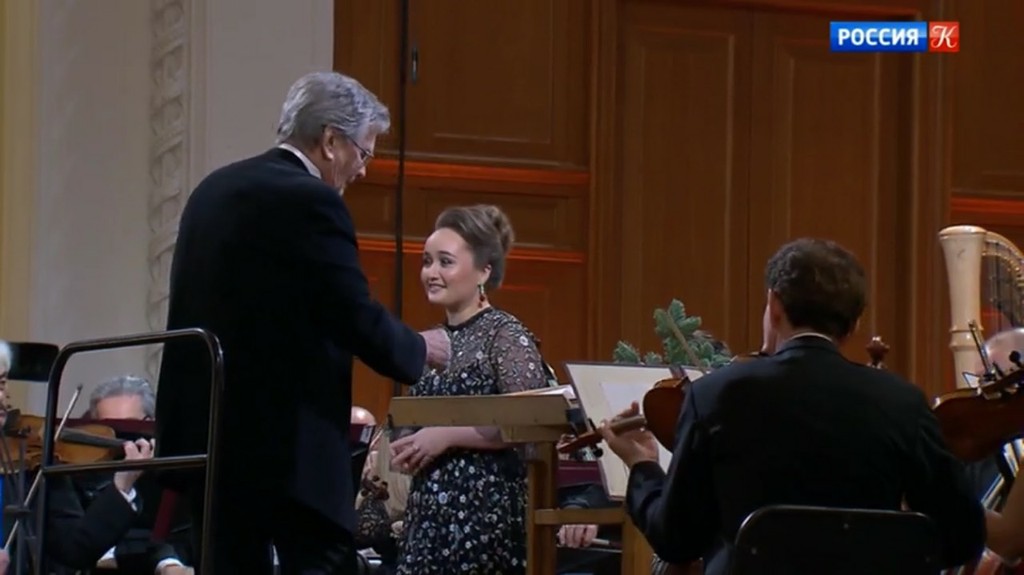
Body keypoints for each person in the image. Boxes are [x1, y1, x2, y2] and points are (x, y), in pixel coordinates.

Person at [155, 71, 451, 575]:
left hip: (205, 436)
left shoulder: (212, 189)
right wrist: (418, 349)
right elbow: (350, 310)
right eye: (363, 152)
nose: (363, 169)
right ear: (331, 141)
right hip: (284, 447)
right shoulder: (310, 200)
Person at [599, 238, 987, 573]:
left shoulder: (716, 395)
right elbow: (962, 537)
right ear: (854, 324)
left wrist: (643, 466)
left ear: (775, 304)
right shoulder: (902, 403)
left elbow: (677, 539)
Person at [389, 205, 548, 574]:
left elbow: (530, 424)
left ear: (484, 271)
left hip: (486, 517)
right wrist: (406, 446)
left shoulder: (505, 335)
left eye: (445, 262)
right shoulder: (429, 344)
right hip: (428, 518)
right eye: (427, 261)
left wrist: (446, 436)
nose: (431, 273)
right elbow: (409, 421)